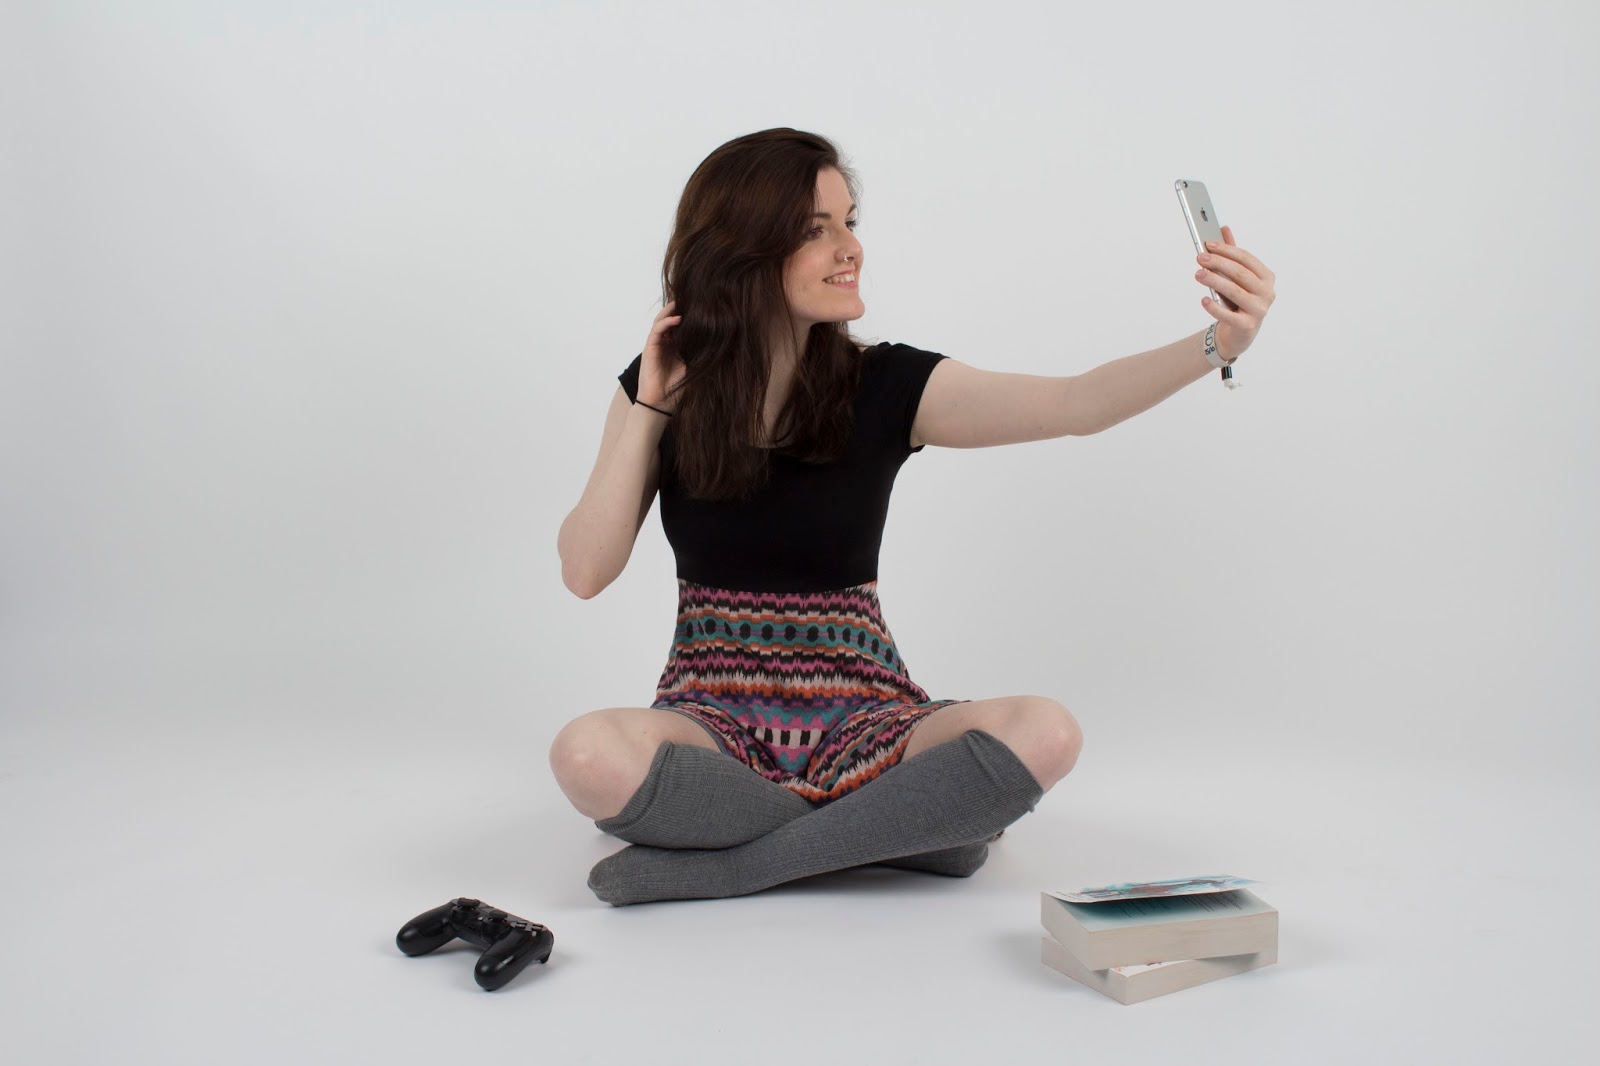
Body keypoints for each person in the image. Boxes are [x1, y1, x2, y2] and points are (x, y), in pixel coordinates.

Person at [551, 128, 1276, 907]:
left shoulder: (887, 384)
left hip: (865, 717)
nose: (850, 249)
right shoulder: (660, 385)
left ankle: (740, 865)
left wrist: (1218, 342)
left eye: (849, 222)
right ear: (742, 253)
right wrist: (652, 408)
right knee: (585, 755)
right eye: (815, 229)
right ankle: (914, 831)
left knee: (1047, 731)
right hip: (711, 719)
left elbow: (1076, 403)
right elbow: (585, 571)